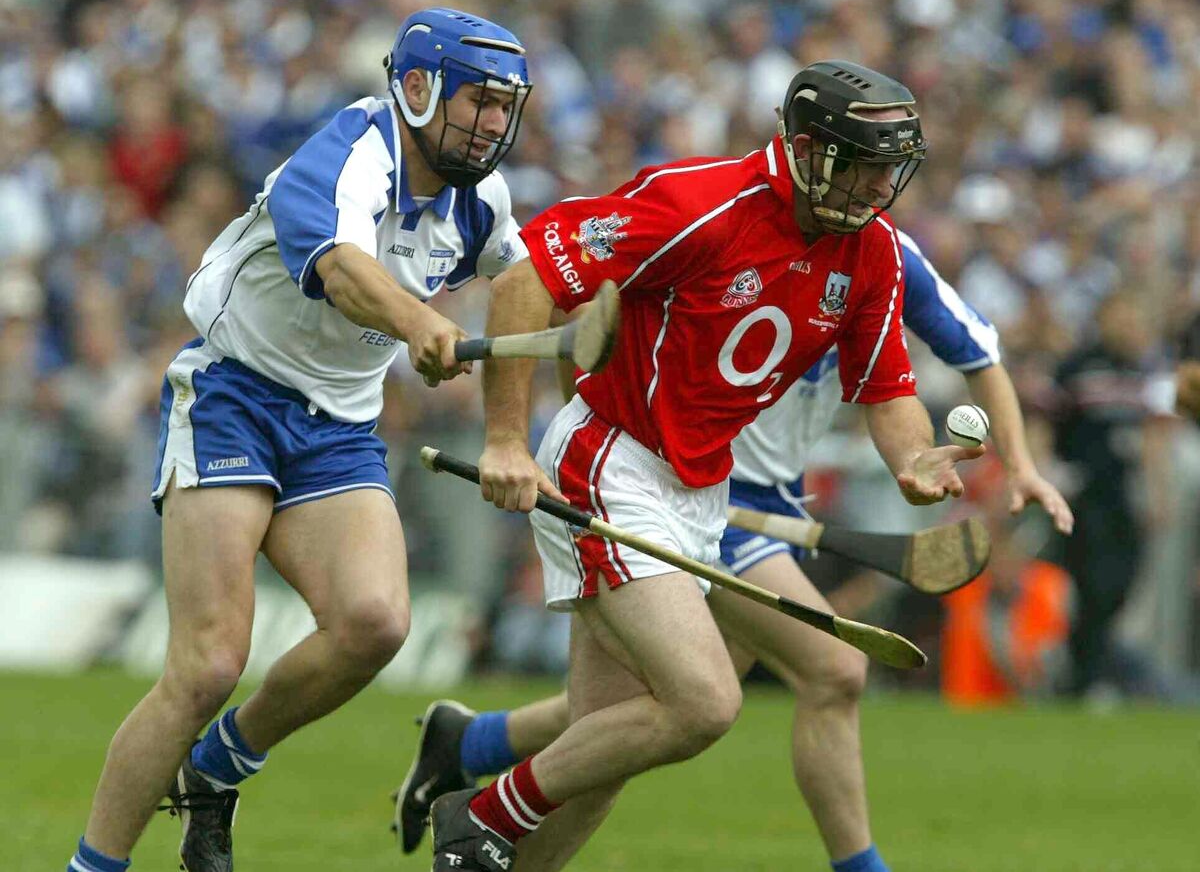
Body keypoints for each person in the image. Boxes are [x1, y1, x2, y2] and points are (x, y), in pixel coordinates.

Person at [422, 60, 980, 872]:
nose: (874, 187)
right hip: (609, 463)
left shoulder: (873, 254)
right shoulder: (700, 204)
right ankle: (481, 810)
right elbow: (528, 276)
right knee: (705, 702)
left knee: (601, 757)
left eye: (887, 170)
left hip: (698, 491)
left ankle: (486, 840)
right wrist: (505, 439)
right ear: (805, 148)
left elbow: (886, 387)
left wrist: (915, 458)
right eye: (859, 165)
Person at [393, 229, 1075, 870]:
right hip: (688, 490)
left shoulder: (886, 257)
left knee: (619, 726)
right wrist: (591, 416)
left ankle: (470, 743)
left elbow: (976, 352)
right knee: (828, 672)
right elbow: (591, 318)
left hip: (765, 499)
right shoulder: (731, 226)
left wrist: (1019, 465)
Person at [65, 7, 533, 872]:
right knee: (206, 665)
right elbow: (337, 267)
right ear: (421, 90)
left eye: (508, 108)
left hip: (341, 423)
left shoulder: (483, 203)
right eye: (480, 102)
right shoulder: (353, 148)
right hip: (233, 394)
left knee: (375, 623)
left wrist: (509, 436)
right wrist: (418, 319)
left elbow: (525, 284)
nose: (495, 125)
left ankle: (215, 767)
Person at [1051, 289, 1174, 700]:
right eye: (1121, 317)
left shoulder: (1145, 372)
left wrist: (1158, 494)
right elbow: (1045, 420)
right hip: (1085, 492)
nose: (1129, 326)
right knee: (1094, 584)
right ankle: (1087, 679)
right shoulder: (1076, 367)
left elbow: (1153, 435)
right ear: (1103, 319)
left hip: (1125, 492)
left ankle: (1091, 672)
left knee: (1123, 584)